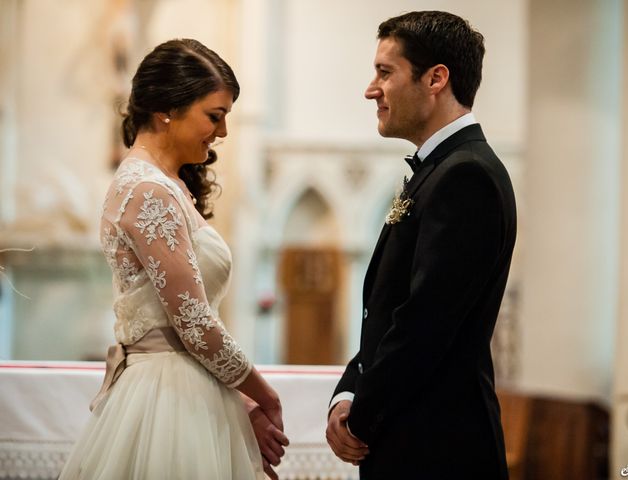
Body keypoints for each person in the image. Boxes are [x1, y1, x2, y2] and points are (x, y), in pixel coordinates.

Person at [59, 39, 288, 480]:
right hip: (168, 397)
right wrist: (265, 395)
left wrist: (236, 401)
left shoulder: (165, 184)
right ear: (167, 109)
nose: (221, 133)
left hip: (187, 385)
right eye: (214, 116)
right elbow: (194, 324)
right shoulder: (148, 190)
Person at [326, 11, 516, 479]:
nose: (372, 89)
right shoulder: (439, 171)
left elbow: (424, 321)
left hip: (439, 448)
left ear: (436, 79)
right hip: (416, 436)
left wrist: (363, 414)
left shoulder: (465, 176)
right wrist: (347, 390)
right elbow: (388, 311)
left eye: (385, 73)